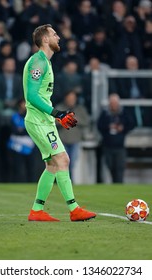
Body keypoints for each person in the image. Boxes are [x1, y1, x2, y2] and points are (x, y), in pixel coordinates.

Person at [23, 23, 96, 222]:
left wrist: (54, 115)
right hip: (39, 121)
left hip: (42, 120)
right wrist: (57, 113)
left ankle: (37, 211)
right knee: (63, 160)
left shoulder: (44, 61)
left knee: (53, 166)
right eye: (54, 34)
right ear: (45, 39)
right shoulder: (38, 62)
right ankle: (74, 209)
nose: (59, 37)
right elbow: (31, 96)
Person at [97, 93, 135, 183]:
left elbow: (132, 124)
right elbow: (99, 126)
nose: (113, 105)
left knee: (119, 168)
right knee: (109, 166)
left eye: (115, 103)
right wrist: (108, 127)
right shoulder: (105, 114)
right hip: (107, 145)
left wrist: (123, 128)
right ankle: (110, 183)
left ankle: (119, 184)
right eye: (112, 103)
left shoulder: (124, 113)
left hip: (120, 146)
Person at [55, 90, 90, 182]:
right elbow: (53, 122)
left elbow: (86, 121)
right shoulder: (60, 108)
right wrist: (63, 119)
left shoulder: (80, 109)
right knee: (63, 163)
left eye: (73, 98)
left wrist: (75, 119)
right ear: (65, 98)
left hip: (75, 140)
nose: (71, 100)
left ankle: (69, 181)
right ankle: (64, 181)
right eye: (70, 98)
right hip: (62, 141)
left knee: (72, 163)